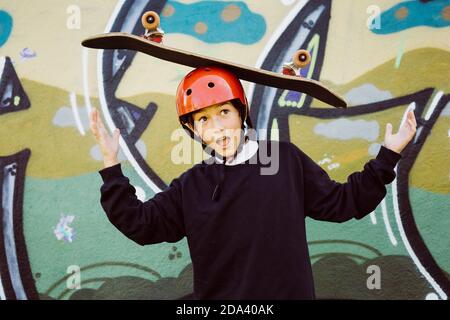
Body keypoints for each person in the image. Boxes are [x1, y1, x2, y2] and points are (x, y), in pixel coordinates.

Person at [89, 66, 417, 299]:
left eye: (224, 113)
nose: (216, 127)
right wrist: (110, 165)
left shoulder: (285, 162)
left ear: (241, 114)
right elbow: (140, 223)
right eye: (203, 119)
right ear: (193, 130)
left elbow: (345, 202)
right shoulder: (191, 186)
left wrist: (388, 156)